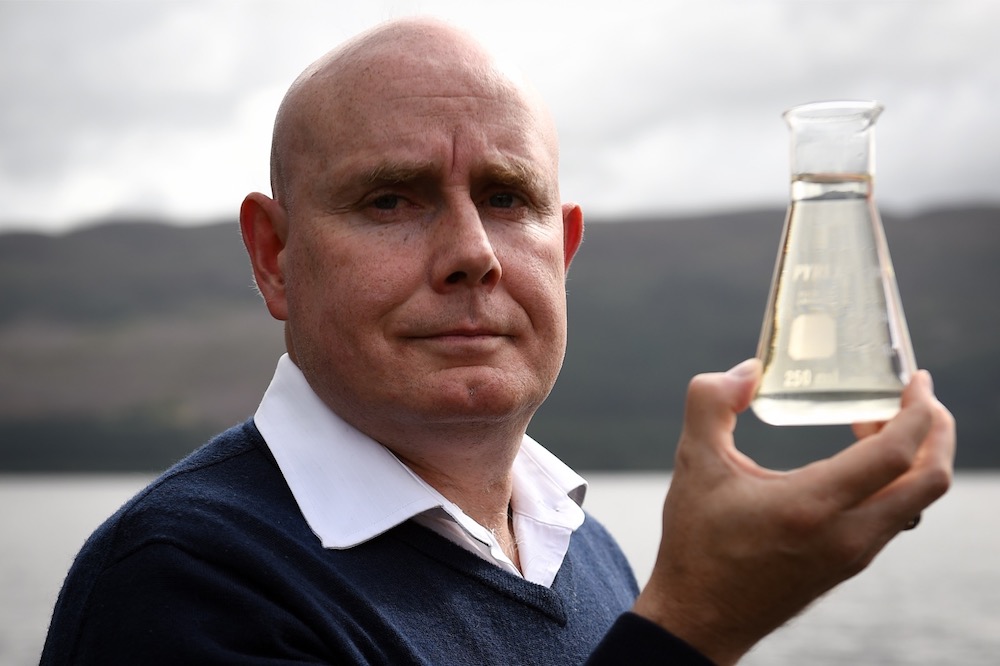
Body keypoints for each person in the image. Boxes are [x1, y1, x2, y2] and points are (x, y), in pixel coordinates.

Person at [41, 17, 955, 666]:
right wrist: (693, 626)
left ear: (565, 250)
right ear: (275, 257)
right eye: (390, 199)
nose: (472, 255)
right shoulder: (182, 581)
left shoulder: (586, 551)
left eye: (510, 199)